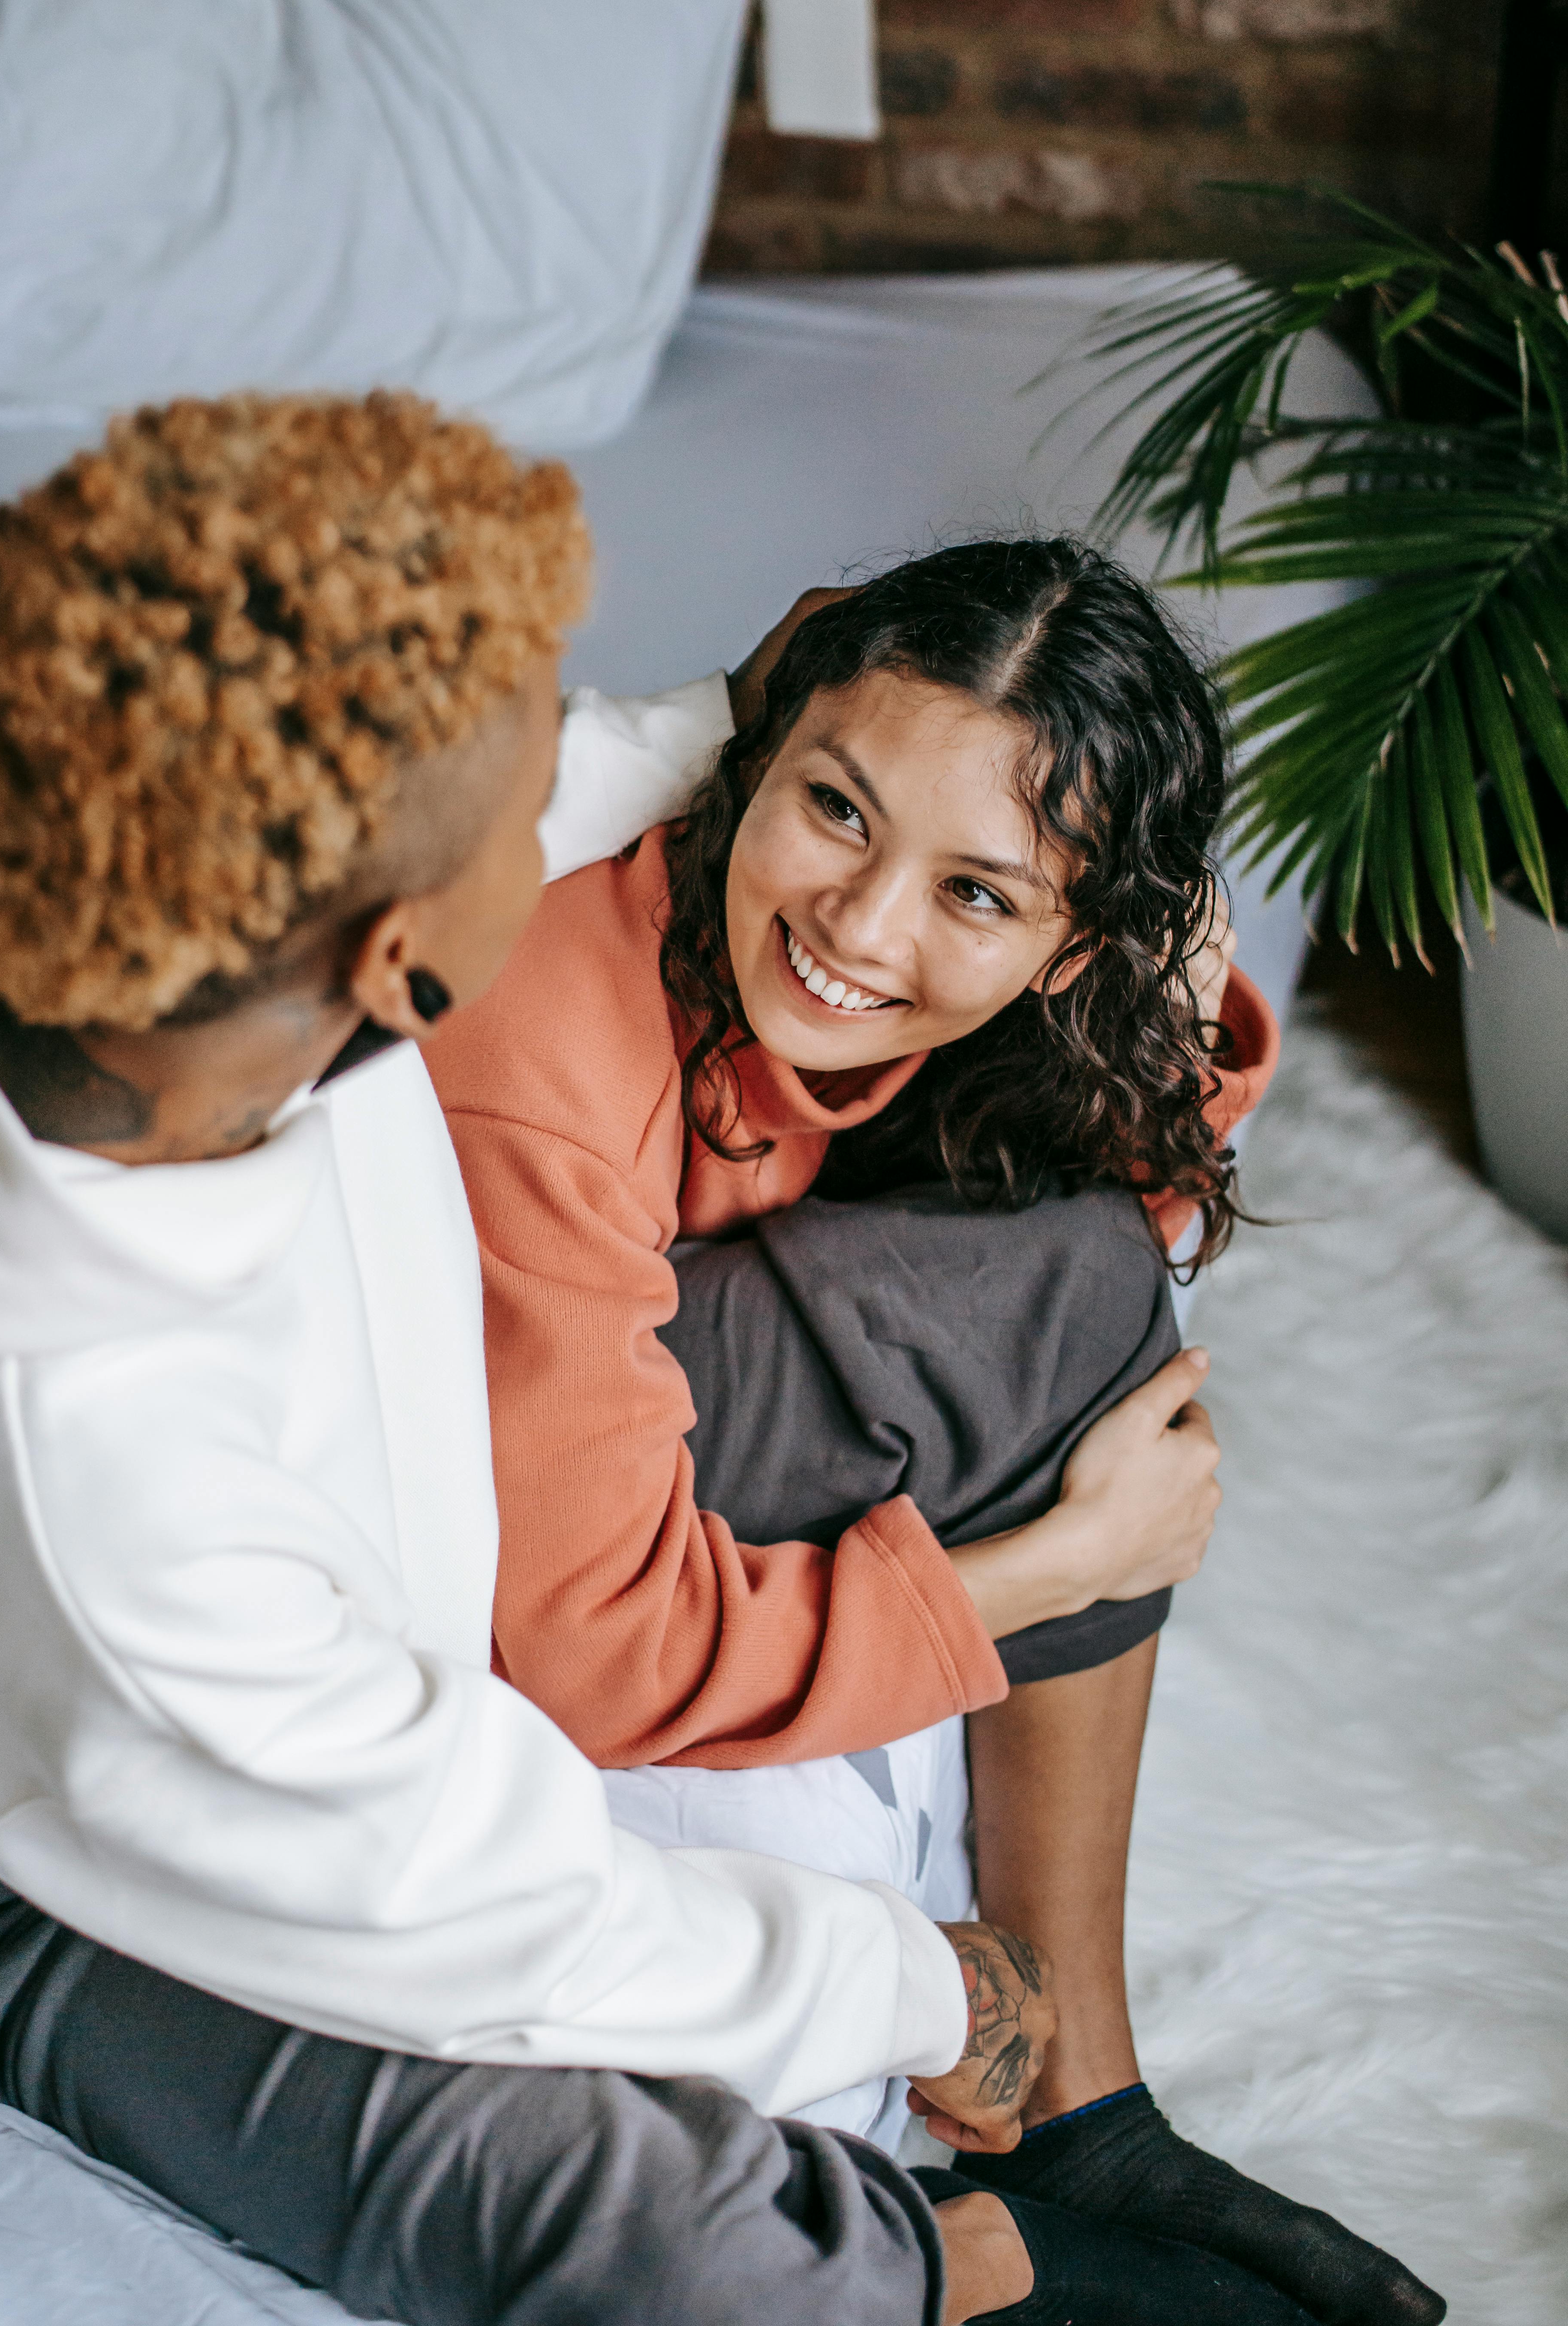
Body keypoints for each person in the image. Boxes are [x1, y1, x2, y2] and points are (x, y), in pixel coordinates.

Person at [0, 394, 1344, 2326]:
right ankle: (964, 2265)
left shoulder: (40, 806)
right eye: (534, 764)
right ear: (410, 957)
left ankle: (1078, 2126)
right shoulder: (108, 1471)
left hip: (325, 1571)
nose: (610, 776)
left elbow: (592, 773)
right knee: (648, 2226)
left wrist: (789, 712)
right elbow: (490, 1901)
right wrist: (913, 1984)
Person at [428, 542, 1447, 2326]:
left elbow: (1113, 1212)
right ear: (782, 726)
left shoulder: (889, 977)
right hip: (440, 1472)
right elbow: (586, 1643)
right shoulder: (545, 1028)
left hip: (660, 1335)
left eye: (978, 895)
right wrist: (1057, 1564)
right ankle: (1072, 2106)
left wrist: (1148, 1010)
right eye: (834, 807)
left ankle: (1084, 2093)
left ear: (1072, 936)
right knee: (1065, 1308)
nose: (858, 925)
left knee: (1074, 1273)